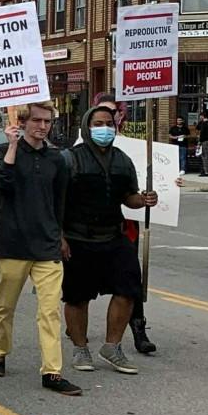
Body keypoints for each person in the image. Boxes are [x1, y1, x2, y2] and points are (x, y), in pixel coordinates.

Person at [59, 104, 160, 376]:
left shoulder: (122, 160)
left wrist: (144, 199)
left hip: (113, 236)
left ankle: (112, 347)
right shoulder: (69, 159)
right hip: (78, 238)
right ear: (87, 127)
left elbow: (129, 197)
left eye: (109, 124)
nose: (105, 129)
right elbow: (55, 201)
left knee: (128, 289)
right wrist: (59, 236)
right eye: (98, 124)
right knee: (77, 297)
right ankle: (80, 348)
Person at [0, 102, 79, 395]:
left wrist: (61, 235)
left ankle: (52, 371)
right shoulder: (5, 150)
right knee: (5, 306)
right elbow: (2, 185)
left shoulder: (56, 158)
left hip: (47, 244)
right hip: (13, 242)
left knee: (50, 310)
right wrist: (13, 146)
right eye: (37, 120)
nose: (42, 126)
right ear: (23, 122)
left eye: (47, 121)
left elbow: (61, 200)